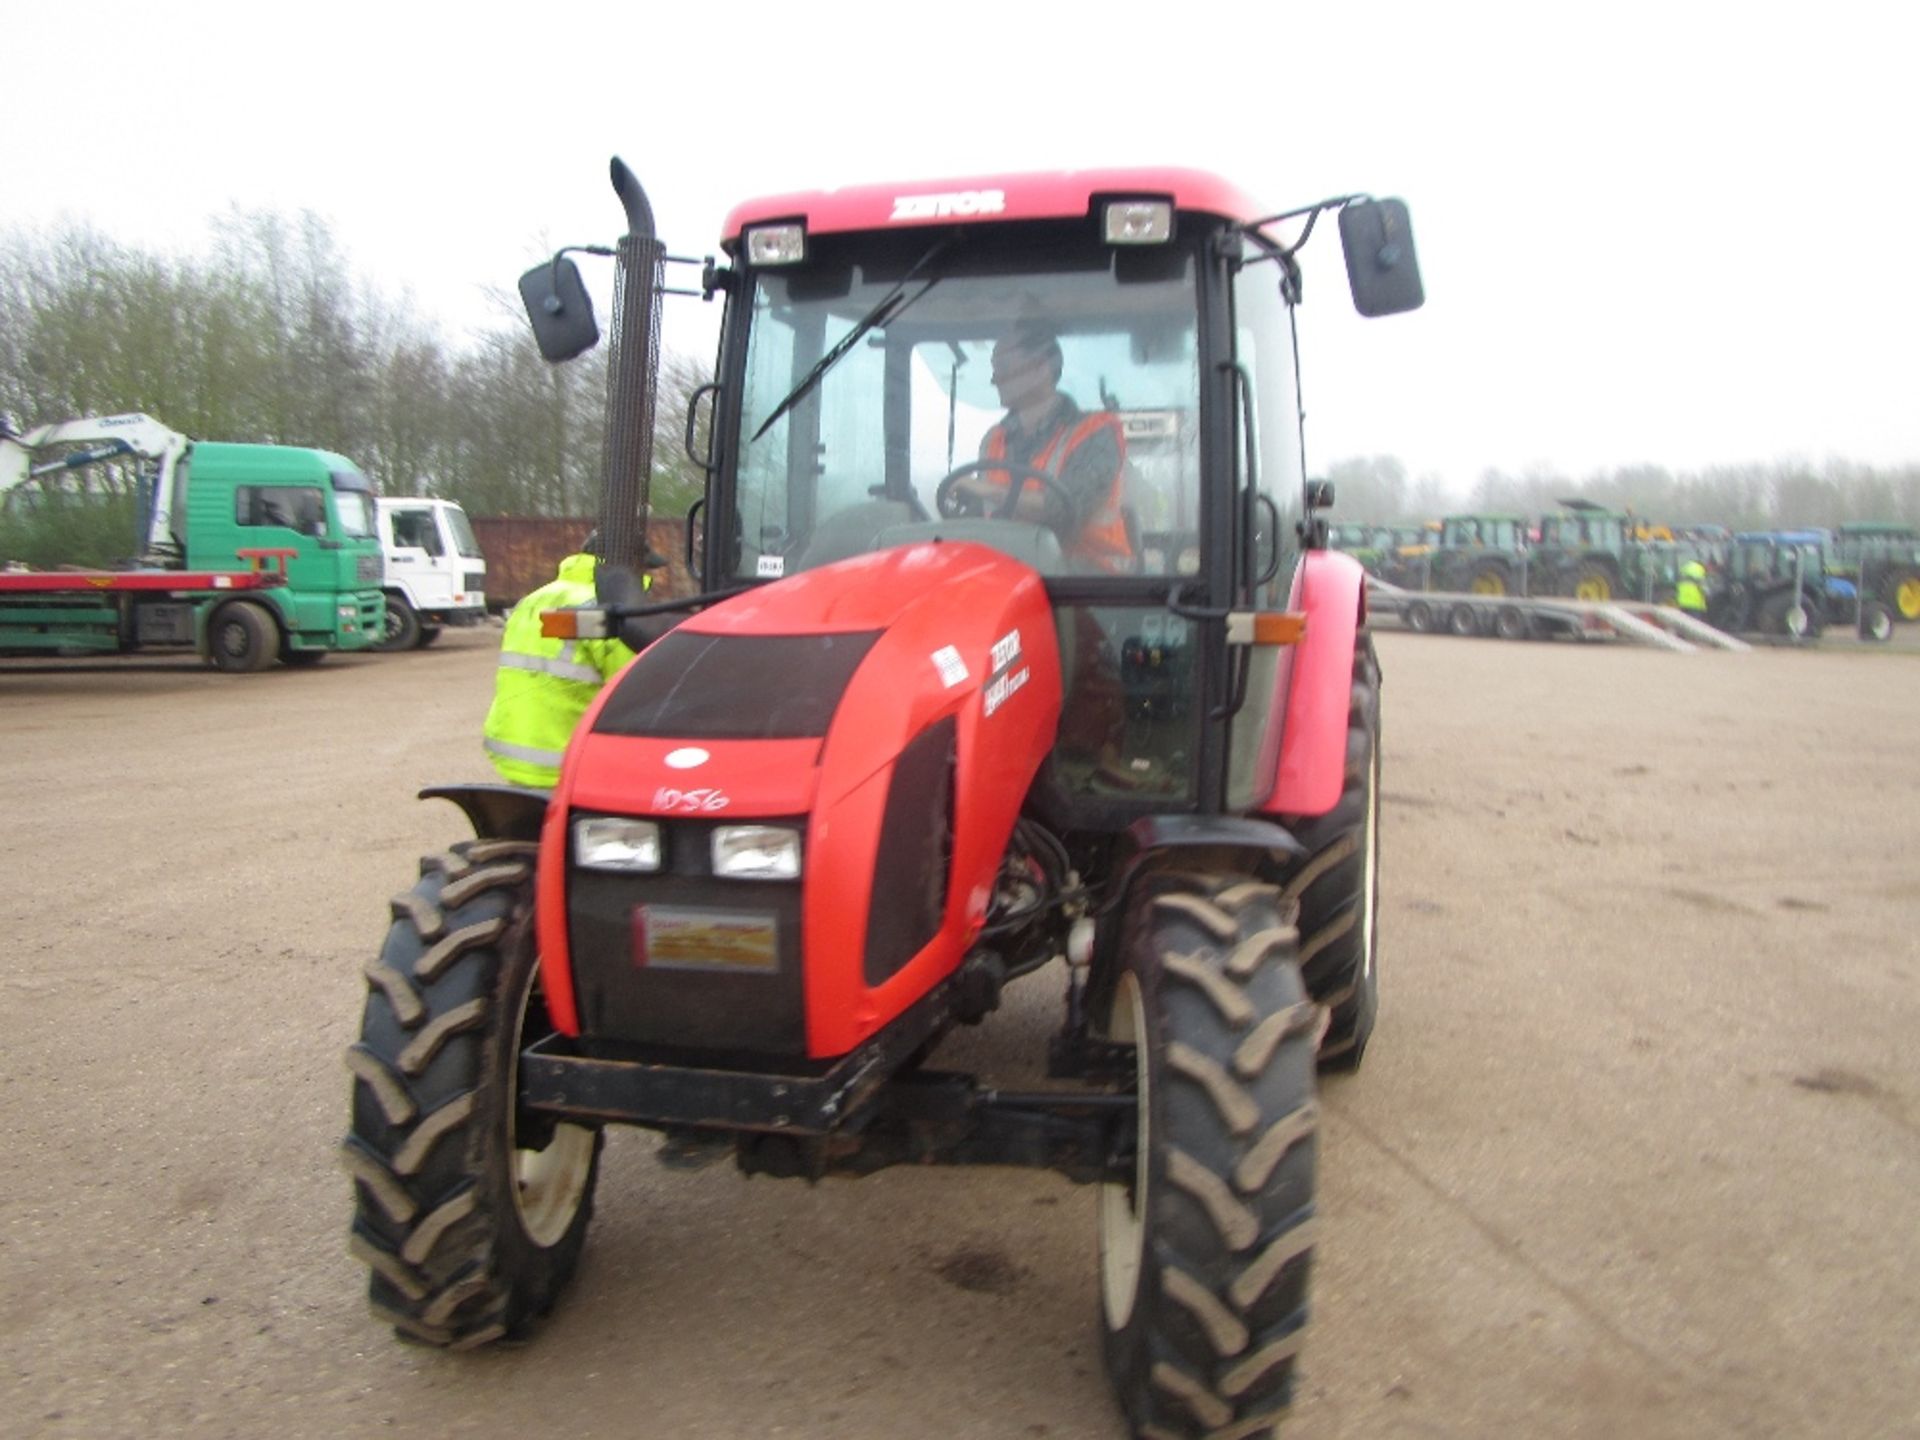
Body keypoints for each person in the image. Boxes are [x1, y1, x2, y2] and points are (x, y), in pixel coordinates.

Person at [953, 324, 1133, 573]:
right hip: (1012, 577)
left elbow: (1062, 510)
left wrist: (981, 488)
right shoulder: (993, 439)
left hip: (1088, 587)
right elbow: (985, 513)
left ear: (1041, 368)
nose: (994, 379)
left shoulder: (1096, 433)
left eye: (1003, 367)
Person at [482, 534, 640, 787]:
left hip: (514, 752)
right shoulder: (607, 610)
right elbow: (637, 689)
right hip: (568, 763)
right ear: (629, 569)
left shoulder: (533, 599)